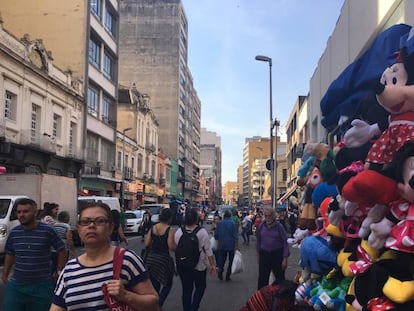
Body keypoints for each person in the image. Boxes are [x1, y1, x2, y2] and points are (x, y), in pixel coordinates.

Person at [50, 202, 159, 310]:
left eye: (100, 221)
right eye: (85, 222)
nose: (91, 225)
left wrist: (126, 296)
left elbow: (154, 305)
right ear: (78, 229)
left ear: (111, 228)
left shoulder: (127, 260)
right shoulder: (69, 270)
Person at [2, 198, 67, 310]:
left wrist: (59, 271)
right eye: (19, 212)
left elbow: (62, 250)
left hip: (41, 286)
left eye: (25, 211)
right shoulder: (14, 233)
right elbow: (10, 253)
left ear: (35, 212)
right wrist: (4, 275)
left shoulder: (48, 231)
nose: (21, 215)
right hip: (17, 285)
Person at [174, 208, 216, 311]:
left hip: (183, 266)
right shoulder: (202, 232)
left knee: (186, 290)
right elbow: (208, 251)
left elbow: (176, 248)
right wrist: (212, 265)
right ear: (196, 219)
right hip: (199, 266)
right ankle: (194, 307)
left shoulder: (179, 232)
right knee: (200, 287)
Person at [144, 208, 176, 308]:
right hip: (163, 259)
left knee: (154, 284)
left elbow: (147, 243)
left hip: (151, 259)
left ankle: (155, 304)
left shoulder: (153, 228)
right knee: (167, 284)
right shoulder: (170, 229)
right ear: (170, 218)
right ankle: (159, 304)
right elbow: (171, 246)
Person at [256, 206, 290, 290]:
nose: (268, 218)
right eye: (266, 216)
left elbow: (285, 243)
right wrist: (258, 255)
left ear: (273, 216)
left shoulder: (279, 227)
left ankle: (281, 299)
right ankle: (261, 299)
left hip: (277, 255)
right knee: (262, 279)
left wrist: (285, 259)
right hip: (264, 255)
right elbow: (258, 241)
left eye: (270, 215)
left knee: (280, 279)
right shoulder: (261, 226)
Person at [214, 210, 239, 281]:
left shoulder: (220, 223)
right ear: (230, 216)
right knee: (231, 261)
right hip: (231, 245)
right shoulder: (233, 223)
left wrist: (217, 240)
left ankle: (220, 272)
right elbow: (235, 235)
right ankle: (228, 275)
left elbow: (216, 235)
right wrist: (236, 245)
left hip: (222, 244)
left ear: (224, 216)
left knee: (222, 260)